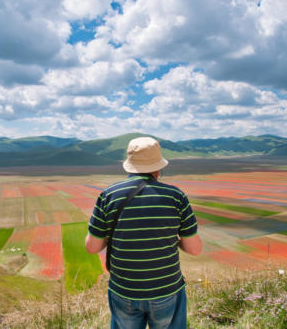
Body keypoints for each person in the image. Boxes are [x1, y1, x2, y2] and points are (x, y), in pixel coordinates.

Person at [85, 136, 202, 329]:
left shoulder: (108, 196)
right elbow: (195, 249)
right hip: (167, 288)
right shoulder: (176, 196)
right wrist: (172, 240)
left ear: (129, 165)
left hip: (124, 290)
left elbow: (92, 247)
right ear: (159, 167)